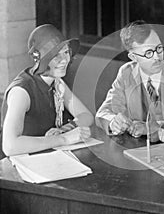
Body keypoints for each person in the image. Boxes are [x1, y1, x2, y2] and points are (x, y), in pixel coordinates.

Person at [95, 20, 164, 144]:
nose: (157, 57)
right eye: (148, 53)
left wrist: (153, 127)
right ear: (133, 57)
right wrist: (113, 122)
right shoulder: (126, 73)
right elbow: (103, 113)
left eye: (159, 48)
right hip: (137, 149)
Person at [1, 24, 94, 156]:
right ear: (40, 60)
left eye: (66, 52)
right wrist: (64, 139)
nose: (64, 61)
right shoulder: (21, 91)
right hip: (22, 165)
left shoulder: (56, 82)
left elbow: (86, 115)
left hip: (48, 158)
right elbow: (10, 146)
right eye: (55, 55)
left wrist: (66, 128)